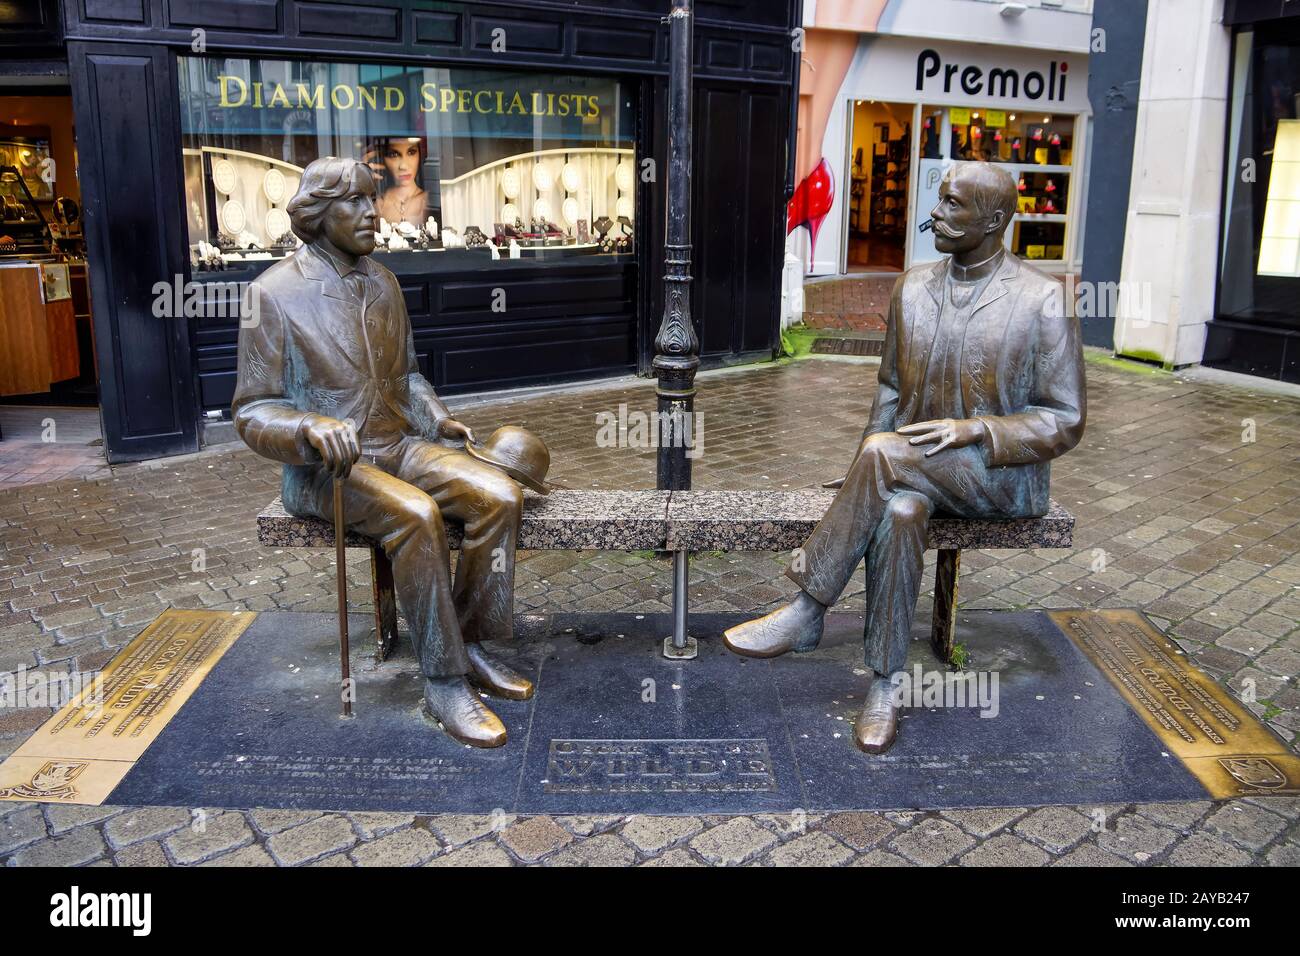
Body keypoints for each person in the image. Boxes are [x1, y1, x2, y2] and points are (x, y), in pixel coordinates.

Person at [722, 162, 1086, 755]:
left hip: (997, 478)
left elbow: (1065, 419)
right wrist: (870, 465)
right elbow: (889, 391)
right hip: (909, 470)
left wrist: (976, 430)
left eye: (953, 204)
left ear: (994, 220)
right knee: (899, 514)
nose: (934, 214)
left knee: (887, 463)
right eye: (939, 200)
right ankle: (886, 685)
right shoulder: (911, 286)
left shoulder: (1043, 299)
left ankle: (807, 608)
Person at [233, 157, 547, 748]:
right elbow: (250, 411)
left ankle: (470, 642)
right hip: (327, 470)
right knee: (416, 515)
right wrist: (306, 427)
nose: (371, 212)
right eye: (352, 202)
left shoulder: (385, 281)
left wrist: (439, 419)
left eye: (370, 198)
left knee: (499, 495)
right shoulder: (271, 295)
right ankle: (443, 678)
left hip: (399, 444)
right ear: (318, 214)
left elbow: (408, 377)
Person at [368, 137, 431, 228]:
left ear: (420, 155)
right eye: (394, 155)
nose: (403, 166)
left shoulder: (429, 200)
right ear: (382, 159)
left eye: (411, 152)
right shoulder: (377, 204)